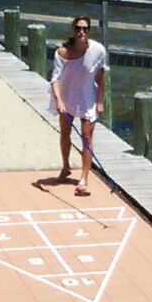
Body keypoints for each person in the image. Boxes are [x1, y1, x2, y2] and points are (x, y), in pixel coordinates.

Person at [49, 15, 106, 197]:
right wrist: (58, 100)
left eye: (85, 28)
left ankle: (84, 177)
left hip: (87, 97)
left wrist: (100, 101)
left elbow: (101, 76)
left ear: (89, 31)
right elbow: (55, 80)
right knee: (65, 133)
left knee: (87, 137)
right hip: (67, 96)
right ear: (73, 30)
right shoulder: (62, 52)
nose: (82, 32)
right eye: (78, 28)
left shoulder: (98, 50)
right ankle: (66, 166)